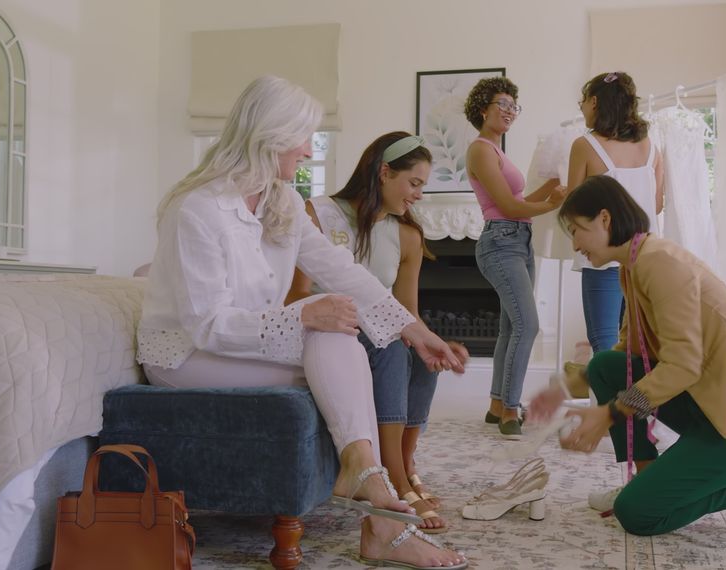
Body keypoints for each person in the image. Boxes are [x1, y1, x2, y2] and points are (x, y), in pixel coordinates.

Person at [136, 76, 467, 569]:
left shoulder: (282, 199)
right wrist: (302, 315)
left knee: (338, 336)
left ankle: (367, 484)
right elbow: (207, 325)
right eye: (303, 138)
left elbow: (342, 271)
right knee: (332, 338)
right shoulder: (198, 210)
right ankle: (377, 506)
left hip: (242, 343)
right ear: (269, 137)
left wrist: (417, 333)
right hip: (186, 355)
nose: (309, 151)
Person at [528, 175, 726, 537]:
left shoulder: (659, 264)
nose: (575, 243)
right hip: (712, 407)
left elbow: (682, 366)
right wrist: (564, 385)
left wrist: (608, 413)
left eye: (577, 229)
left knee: (637, 513)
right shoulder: (634, 266)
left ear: (605, 220)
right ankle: (645, 478)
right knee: (606, 367)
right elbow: (625, 357)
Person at [287, 131, 468, 534]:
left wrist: (436, 343)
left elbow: (407, 314)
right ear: (385, 172)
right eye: (414, 183)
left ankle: (406, 463)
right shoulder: (317, 213)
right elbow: (296, 294)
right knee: (389, 341)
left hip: (372, 332)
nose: (419, 195)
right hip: (321, 331)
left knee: (420, 356)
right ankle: (395, 481)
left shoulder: (407, 236)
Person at [464, 76, 565, 438]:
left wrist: (554, 183)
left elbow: (520, 203)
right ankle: (511, 408)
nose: (510, 112)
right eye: (502, 104)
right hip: (500, 241)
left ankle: (496, 405)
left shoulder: (497, 152)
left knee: (511, 327)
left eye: (513, 106)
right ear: (482, 110)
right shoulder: (479, 149)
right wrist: (550, 203)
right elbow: (507, 206)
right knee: (528, 325)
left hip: (518, 239)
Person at [568, 71, 664, 355]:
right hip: (643, 258)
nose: (581, 107)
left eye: (582, 101)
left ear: (595, 102)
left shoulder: (585, 145)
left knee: (605, 343)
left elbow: (573, 207)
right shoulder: (650, 147)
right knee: (639, 345)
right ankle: (636, 400)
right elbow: (656, 206)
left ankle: (610, 400)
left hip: (603, 259)